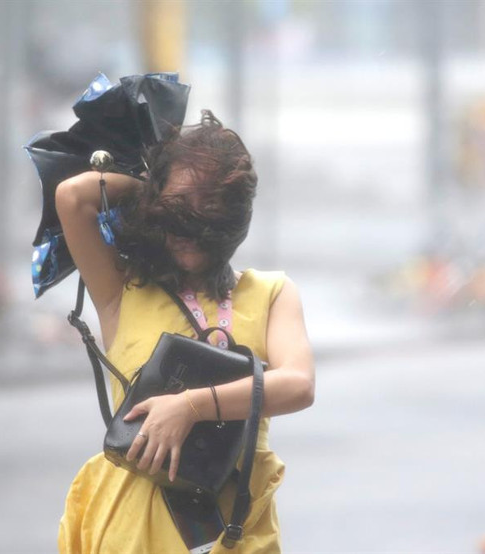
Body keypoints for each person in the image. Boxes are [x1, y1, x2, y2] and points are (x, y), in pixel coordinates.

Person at [55, 110, 315, 553]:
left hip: (236, 530)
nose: (188, 230)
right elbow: (74, 196)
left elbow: (298, 386)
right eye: (176, 211)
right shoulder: (123, 289)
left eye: (208, 212)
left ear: (233, 218)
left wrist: (192, 407)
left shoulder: (271, 292)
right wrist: (158, 190)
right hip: (133, 531)